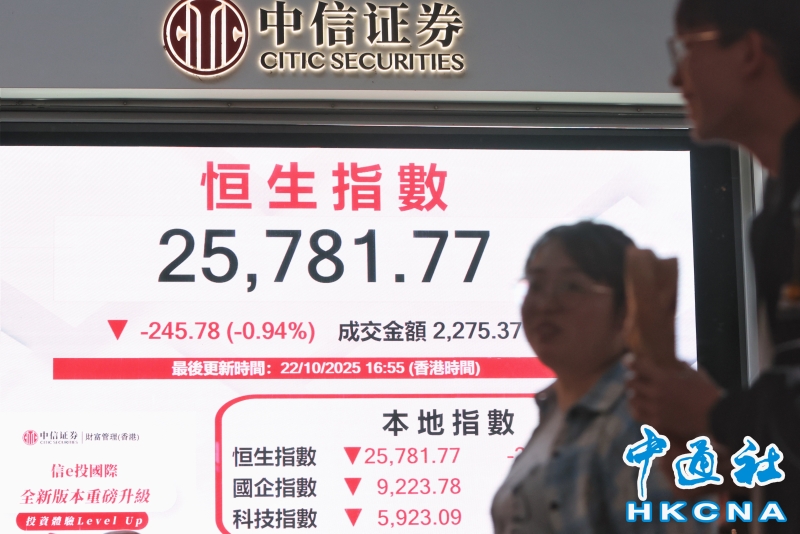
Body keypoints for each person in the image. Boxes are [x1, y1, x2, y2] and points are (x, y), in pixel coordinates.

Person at [626, 0, 800, 529]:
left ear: (749, 52)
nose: (676, 77)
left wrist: (713, 412)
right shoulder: (777, 206)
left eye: (686, 50)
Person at [491, 222, 709, 533]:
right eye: (536, 285)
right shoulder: (556, 408)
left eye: (571, 287)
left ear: (626, 308)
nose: (545, 304)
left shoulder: (641, 414)